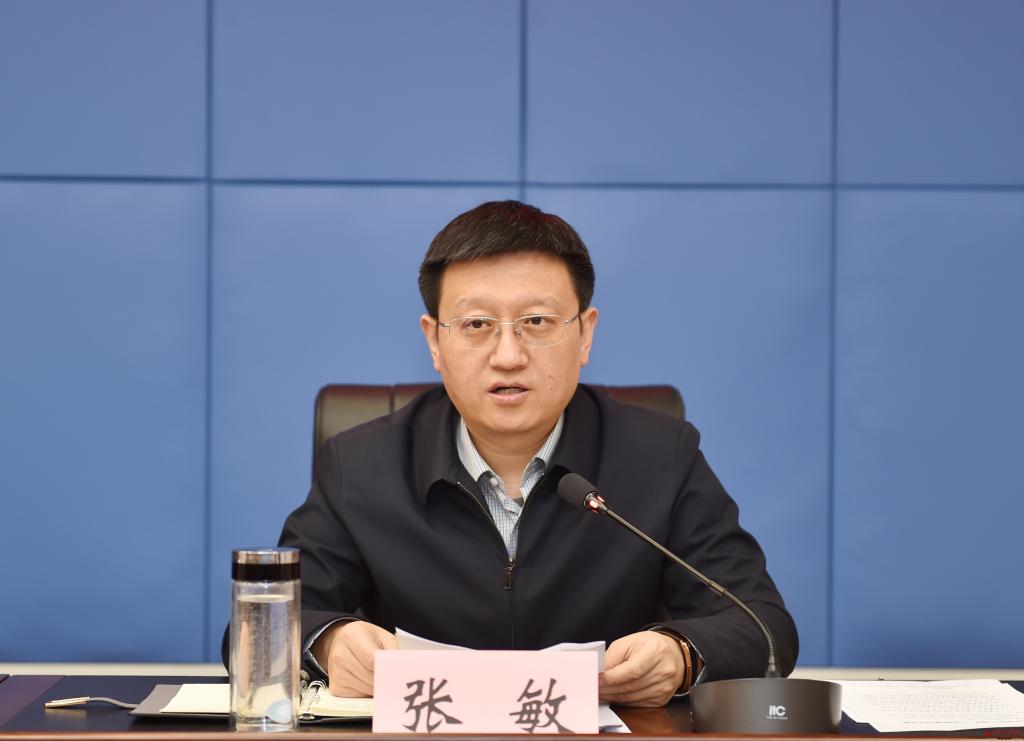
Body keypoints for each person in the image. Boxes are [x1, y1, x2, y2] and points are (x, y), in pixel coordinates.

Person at [278, 200, 797, 707]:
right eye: (477, 324)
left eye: (537, 322)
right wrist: (328, 642)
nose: (508, 356)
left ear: (585, 334)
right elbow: (272, 619)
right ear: (434, 341)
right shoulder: (359, 465)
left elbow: (761, 623)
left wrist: (680, 654)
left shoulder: (661, 457)